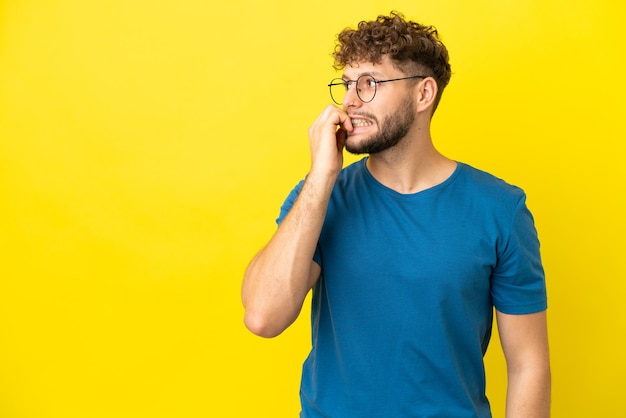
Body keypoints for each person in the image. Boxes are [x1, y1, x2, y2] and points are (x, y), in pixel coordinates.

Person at [242, 11, 550, 418]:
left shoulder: (499, 209)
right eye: (347, 84)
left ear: (424, 94)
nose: (350, 101)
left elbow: (529, 365)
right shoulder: (320, 196)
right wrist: (320, 178)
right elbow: (263, 317)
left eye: (369, 83)